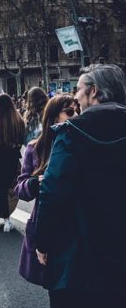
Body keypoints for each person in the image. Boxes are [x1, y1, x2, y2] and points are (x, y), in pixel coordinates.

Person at [35, 64, 126, 307]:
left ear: (93, 91)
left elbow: (52, 192)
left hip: (77, 254)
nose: (75, 96)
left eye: (78, 89)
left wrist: (42, 241)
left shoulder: (71, 132)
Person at [14, 95, 76, 294]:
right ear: (53, 117)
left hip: (77, 227)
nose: (76, 117)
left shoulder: (82, 143)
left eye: (78, 111)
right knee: (55, 286)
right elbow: (20, 188)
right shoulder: (36, 147)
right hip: (47, 226)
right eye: (70, 113)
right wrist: (35, 183)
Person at [0, 94, 25, 232]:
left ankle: (1, 217)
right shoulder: (18, 121)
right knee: (7, 189)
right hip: (12, 158)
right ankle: (2, 218)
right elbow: (21, 140)